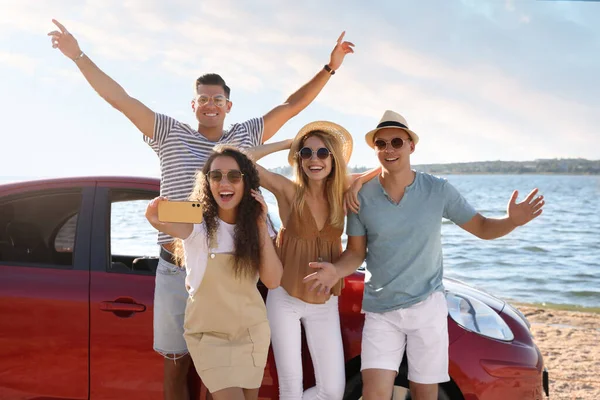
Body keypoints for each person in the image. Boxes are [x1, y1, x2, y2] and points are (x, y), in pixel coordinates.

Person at [48, 19, 354, 400]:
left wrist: (329, 68)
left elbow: (291, 106)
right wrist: (78, 55)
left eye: (218, 99)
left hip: (237, 265)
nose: (211, 105)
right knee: (176, 364)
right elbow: (121, 99)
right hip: (178, 266)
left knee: (224, 373)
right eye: (204, 99)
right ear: (194, 105)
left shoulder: (244, 136)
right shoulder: (168, 133)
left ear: (229, 105)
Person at [304, 110, 545, 400]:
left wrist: (511, 222)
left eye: (396, 142)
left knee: (424, 393)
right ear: (375, 150)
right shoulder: (362, 196)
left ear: (411, 146)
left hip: (427, 309)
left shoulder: (438, 189)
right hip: (381, 310)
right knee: (374, 393)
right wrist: (336, 270)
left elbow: (481, 227)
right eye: (381, 144)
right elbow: (356, 252)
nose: (389, 149)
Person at [246, 122, 380, 400]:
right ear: (299, 159)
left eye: (322, 153)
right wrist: (288, 143)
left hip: (324, 301)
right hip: (285, 297)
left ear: (333, 158)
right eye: (306, 153)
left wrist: (356, 183)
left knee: (332, 392)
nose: (314, 159)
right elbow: (243, 160)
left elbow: (385, 171)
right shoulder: (288, 190)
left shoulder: (342, 190)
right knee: (291, 388)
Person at [145, 146, 283, 400]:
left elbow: (273, 280)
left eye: (234, 176)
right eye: (216, 176)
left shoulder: (259, 226)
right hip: (208, 335)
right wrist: (157, 214)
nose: (224, 182)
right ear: (207, 182)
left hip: (251, 333)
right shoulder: (196, 221)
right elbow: (161, 217)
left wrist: (261, 225)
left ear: (247, 182)